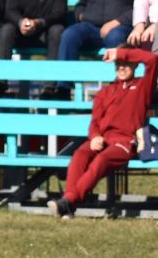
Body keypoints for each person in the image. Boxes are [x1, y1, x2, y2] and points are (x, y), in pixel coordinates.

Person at [51, 48, 157, 217]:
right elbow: (95, 122)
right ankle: (69, 204)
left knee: (101, 160)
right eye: (118, 64)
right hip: (103, 139)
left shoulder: (142, 87)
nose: (121, 67)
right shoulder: (104, 93)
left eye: (126, 64)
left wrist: (119, 53)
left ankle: (68, 201)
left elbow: (152, 59)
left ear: (135, 65)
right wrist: (94, 137)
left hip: (125, 142)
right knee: (80, 155)